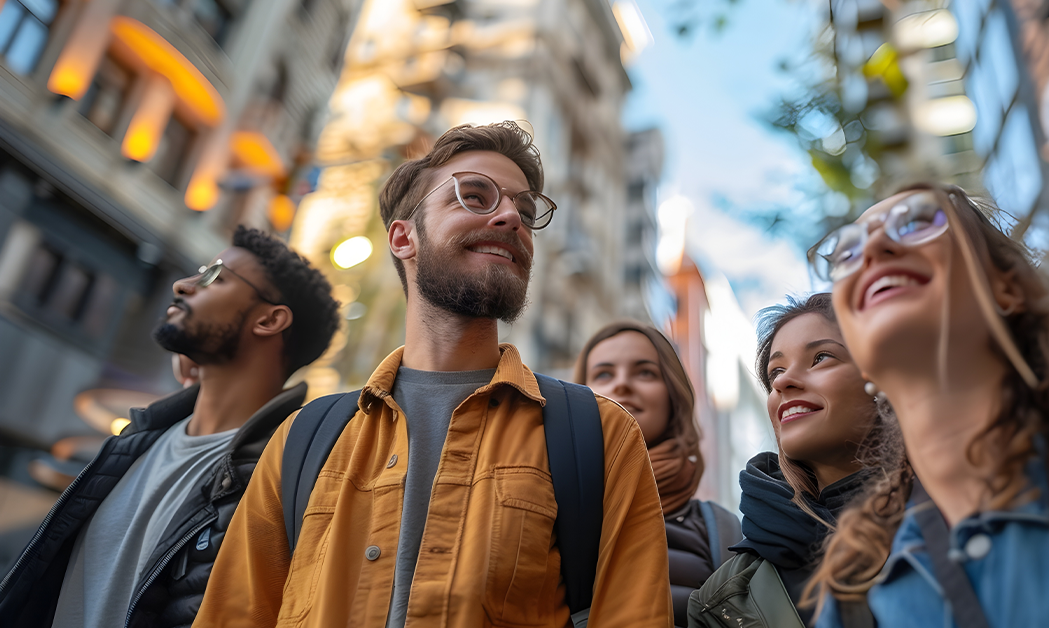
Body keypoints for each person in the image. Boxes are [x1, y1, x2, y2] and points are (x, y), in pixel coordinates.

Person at [194, 122, 672, 628]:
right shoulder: (303, 439)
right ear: (404, 237)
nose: (512, 216)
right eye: (474, 196)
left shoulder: (603, 436)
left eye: (525, 211)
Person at [806, 184, 1049, 627]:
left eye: (915, 221)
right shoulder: (854, 604)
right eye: (847, 251)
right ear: (858, 356)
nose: (874, 245)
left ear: (1005, 289)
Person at [0, 226, 340, 627]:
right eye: (198, 272)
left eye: (215, 277)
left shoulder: (283, 478)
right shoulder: (135, 441)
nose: (182, 285)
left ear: (268, 319)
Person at [687, 293, 886, 627]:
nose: (780, 381)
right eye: (775, 370)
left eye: (821, 357)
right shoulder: (722, 599)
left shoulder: (962, 512)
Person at [575, 320, 742, 626]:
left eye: (645, 372)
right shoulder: (546, 503)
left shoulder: (724, 531)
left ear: (672, 397)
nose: (622, 384)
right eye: (603, 374)